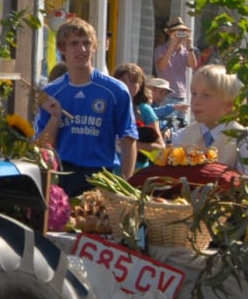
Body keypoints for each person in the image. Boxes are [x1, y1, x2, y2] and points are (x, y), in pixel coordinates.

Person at [35, 15, 137, 195]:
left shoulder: (116, 90)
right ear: (62, 48)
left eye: (86, 43)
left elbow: (128, 140)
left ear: (95, 47)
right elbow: (41, 147)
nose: (81, 49)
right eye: (74, 43)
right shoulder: (50, 93)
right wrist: (55, 118)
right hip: (62, 174)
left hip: (101, 176)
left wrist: (125, 186)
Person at [169, 65, 246, 172]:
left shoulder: (243, 140)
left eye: (206, 95)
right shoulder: (181, 136)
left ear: (229, 104)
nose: (196, 101)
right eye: (194, 93)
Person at [154, 20, 200, 122]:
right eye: (177, 32)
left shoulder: (185, 51)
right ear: (170, 34)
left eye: (182, 33)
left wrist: (189, 47)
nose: (180, 36)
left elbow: (193, 65)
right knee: (165, 127)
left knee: (180, 127)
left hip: (181, 96)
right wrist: (172, 45)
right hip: (166, 96)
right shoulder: (161, 49)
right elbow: (162, 66)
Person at [114, 63, 163, 148]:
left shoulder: (144, 110)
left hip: (137, 161)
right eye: (123, 80)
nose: (128, 85)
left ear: (140, 87)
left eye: (133, 82)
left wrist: (132, 145)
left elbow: (160, 146)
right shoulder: (108, 106)